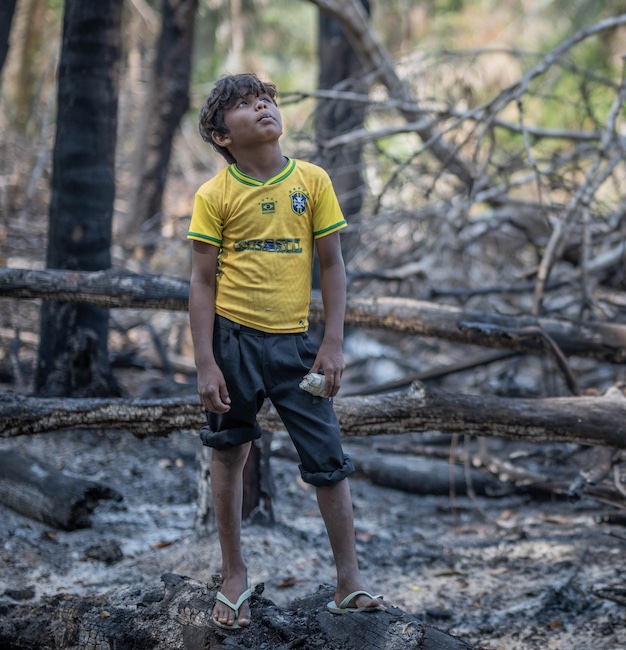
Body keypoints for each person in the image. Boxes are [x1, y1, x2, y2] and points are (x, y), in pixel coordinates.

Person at [187, 73, 385, 630]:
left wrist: (333, 343)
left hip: (297, 346)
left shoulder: (313, 182)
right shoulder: (214, 195)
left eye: (266, 99)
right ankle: (233, 574)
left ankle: (349, 584)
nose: (263, 108)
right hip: (232, 343)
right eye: (246, 106)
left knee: (328, 461)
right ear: (222, 136)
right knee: (228, 451)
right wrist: (205, 360)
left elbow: (332, 266)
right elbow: (202, 283)